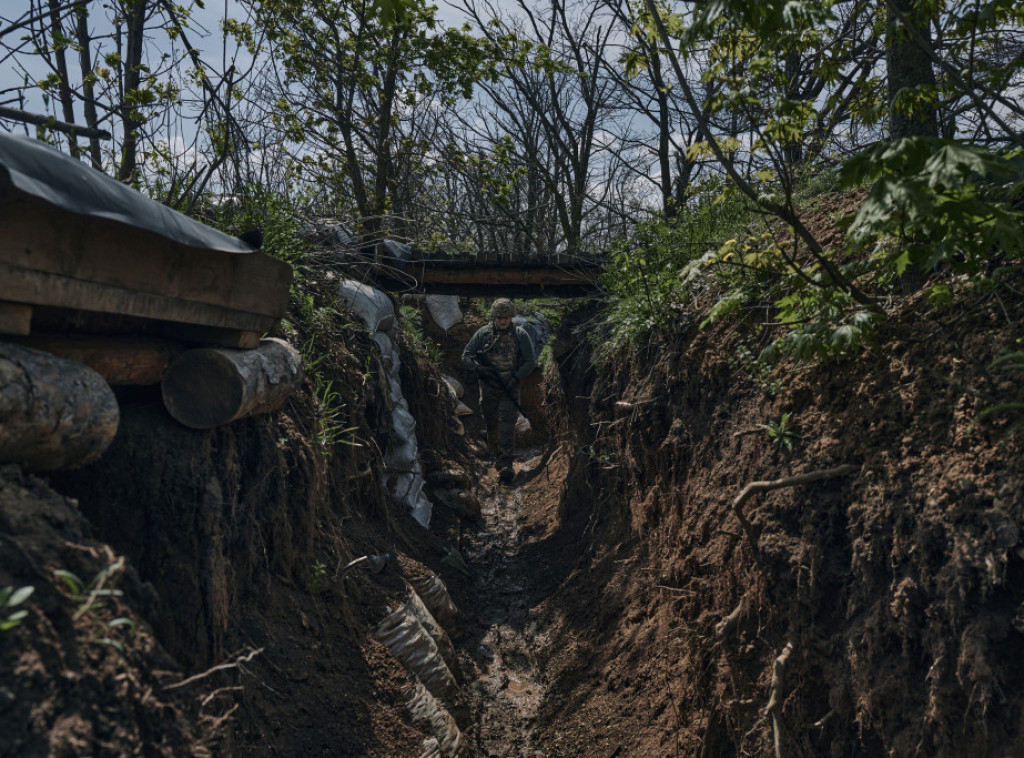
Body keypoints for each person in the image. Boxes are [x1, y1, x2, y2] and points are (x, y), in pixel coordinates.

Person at [462, 298, 537, 483]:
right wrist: (480, 369)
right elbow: (466, 356)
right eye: (499, 317)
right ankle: (495, 452)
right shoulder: (483, 334)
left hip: (510, 386)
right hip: (488, 386)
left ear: (511, 317)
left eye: (506, 317)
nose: (502, 321)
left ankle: (506, 462)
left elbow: (530, 361)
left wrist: (516, 377)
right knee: (490, 421)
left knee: (507, 423)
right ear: (494, 317)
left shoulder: (520, 335)